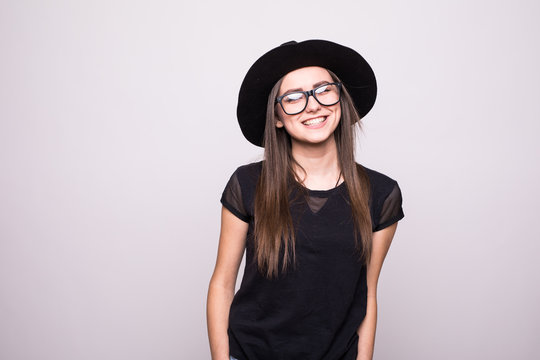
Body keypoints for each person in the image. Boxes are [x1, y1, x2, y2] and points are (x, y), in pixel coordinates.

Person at [207, 39, 404, 360]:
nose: (313, 105)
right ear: (277, 118)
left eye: (323, 90)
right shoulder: (247, 184)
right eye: (294, 97)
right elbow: (222, 284)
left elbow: (367, 294)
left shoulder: (381, 195)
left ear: (341, 99)